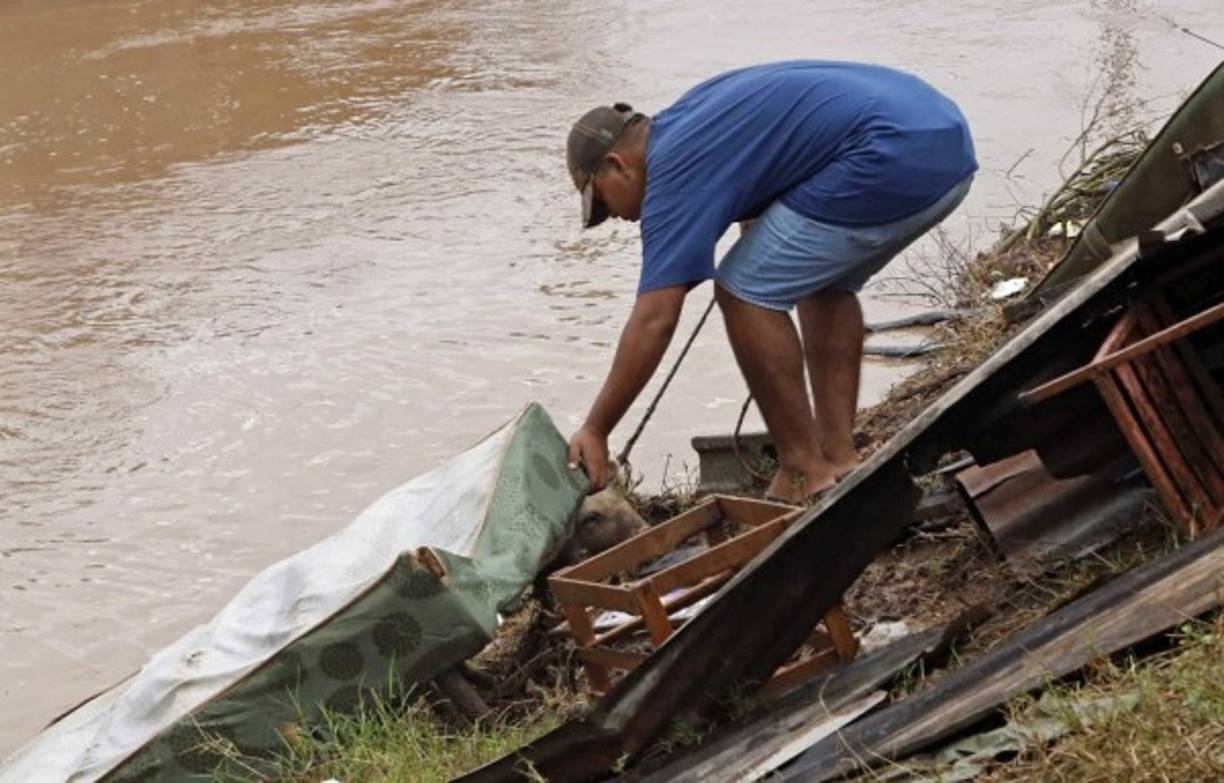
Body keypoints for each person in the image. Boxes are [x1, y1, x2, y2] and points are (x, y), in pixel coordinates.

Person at [564, 60, 976, 503]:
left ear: (617, 164)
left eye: (604, 203)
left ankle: (802, 467)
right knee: (823, 283)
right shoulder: (690, 120)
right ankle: (837, 458)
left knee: (742, 290)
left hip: (888, 153)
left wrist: (597, 427)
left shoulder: (668, 173)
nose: (618, 219)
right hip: (941, 137)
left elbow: (655, 319)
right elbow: (783, 145)